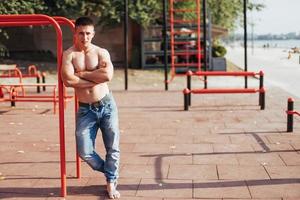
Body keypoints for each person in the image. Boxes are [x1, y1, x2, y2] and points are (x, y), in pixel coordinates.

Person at [61, 16, 120, 199]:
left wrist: (83, 75)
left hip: (106, 105)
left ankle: (111, 182)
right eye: (81, 33)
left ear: (93, 34)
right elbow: (68, 80)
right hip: (86, 109)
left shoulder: (102, 52)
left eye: (88, 33)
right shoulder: (69, 54)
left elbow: (107, 76)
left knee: (113, 147)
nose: (84, 37)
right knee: (84, 151)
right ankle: (110, 171)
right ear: (75, 33)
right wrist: (94, 78)